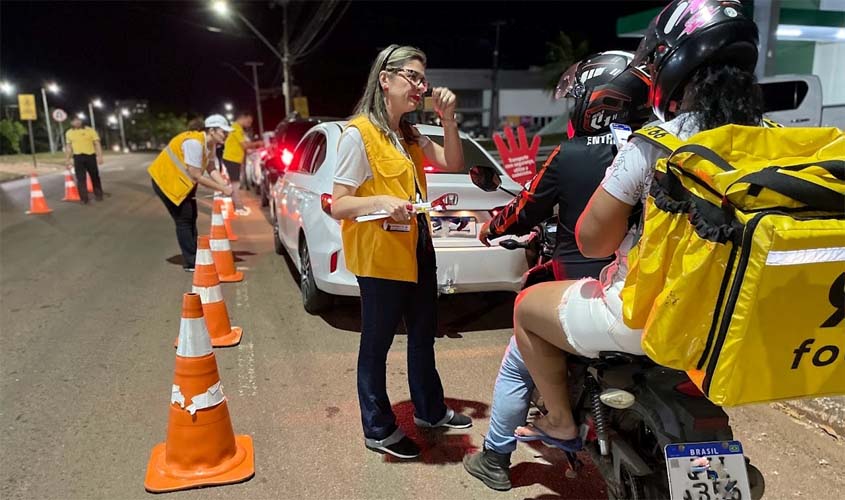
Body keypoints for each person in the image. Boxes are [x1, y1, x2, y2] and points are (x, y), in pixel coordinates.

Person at [509, 0, 765, 449]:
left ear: (672, 63)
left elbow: (592, 242)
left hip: (650, 316)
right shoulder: (773, 140)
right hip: (737, 315)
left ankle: (561, 421)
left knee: (526, 307)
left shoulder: (656, 143)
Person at [463, 52, 652, 491]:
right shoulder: (657, 150)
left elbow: (526, 209)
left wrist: (490, 228)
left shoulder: (570, 155)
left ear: (595, 103)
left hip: (593, 294)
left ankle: (496, 457)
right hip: (656, 295)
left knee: (517, 358)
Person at [330, 44, 472, 459]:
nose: (420, 86)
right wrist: (380, 202)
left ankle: (430, 410)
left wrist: (448, 120)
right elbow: (339, 203)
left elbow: (453, 162)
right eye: (412, 76)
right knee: (376, 345)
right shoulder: (359, 134)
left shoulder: (408, 133)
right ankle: (378, 427)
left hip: (417, 246)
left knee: (423, 336)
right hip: (380, 257)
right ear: (385, 79)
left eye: (422, 79)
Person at [148, 114, 234, 272]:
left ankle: (196, 255)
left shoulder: (210, 144)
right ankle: (191, 261)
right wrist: (222, 188)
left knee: (191, 216)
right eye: (224, 132)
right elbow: (196, 175)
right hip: (166, 182)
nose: (226, 135)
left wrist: (224, 184)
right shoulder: (194, 143)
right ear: (212, 130)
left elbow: (210, 168)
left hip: (181, 183)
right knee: (184, 219)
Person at [221, 110, 263, 216]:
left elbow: (245, 146)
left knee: (235, 183)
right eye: (248, 122)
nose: (249, 125)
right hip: (232, 159)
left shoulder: (237, 128)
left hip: (233, 158)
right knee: (235, 184)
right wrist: (259, 143)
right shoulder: (236, 128)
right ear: (243, 117)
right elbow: (245, 145)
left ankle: (237, 205)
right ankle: (238, 207)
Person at [65, 117, 104, 204]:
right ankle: (84, 198)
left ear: (81, 121)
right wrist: (67, 159)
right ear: (71, 122)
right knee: (80, 178)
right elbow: (69, 147)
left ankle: (98, 194)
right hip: (78, 157)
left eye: (78, 120)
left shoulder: (90, 130)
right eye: (74, 121)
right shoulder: (69, 133)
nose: (77, 122)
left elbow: (97, 143)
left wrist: (100, 156)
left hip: (90, 156)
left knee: (95, 176)